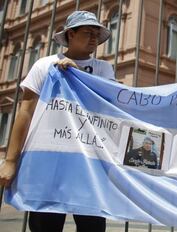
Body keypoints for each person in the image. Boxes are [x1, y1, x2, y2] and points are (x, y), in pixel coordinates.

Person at [0, 11, 114, 232]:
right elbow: (25, 112)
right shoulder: (45, 65)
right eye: (88, 32)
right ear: (70, 34)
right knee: (45, 225)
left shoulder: (103, 69)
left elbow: (108, 107)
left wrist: (77, 76)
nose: (94, 39)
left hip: (88, 162)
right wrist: (11, 161)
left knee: (93, 226)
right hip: (47, 161)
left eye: (97, 34)